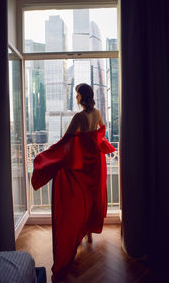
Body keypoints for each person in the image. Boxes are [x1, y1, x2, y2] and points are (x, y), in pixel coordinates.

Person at [32, 83, 115, 282]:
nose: (75, 97)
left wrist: (47, 155)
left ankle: (77, 234)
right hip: (95, 163)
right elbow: (102, 129)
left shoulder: (79, 117)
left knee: (77, 201)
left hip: (81, 167)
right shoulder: (97, 112)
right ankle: (88, 233)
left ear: (81, 96)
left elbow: (66, 140)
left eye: (77, 94)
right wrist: (95, 141)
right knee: (92, 197)